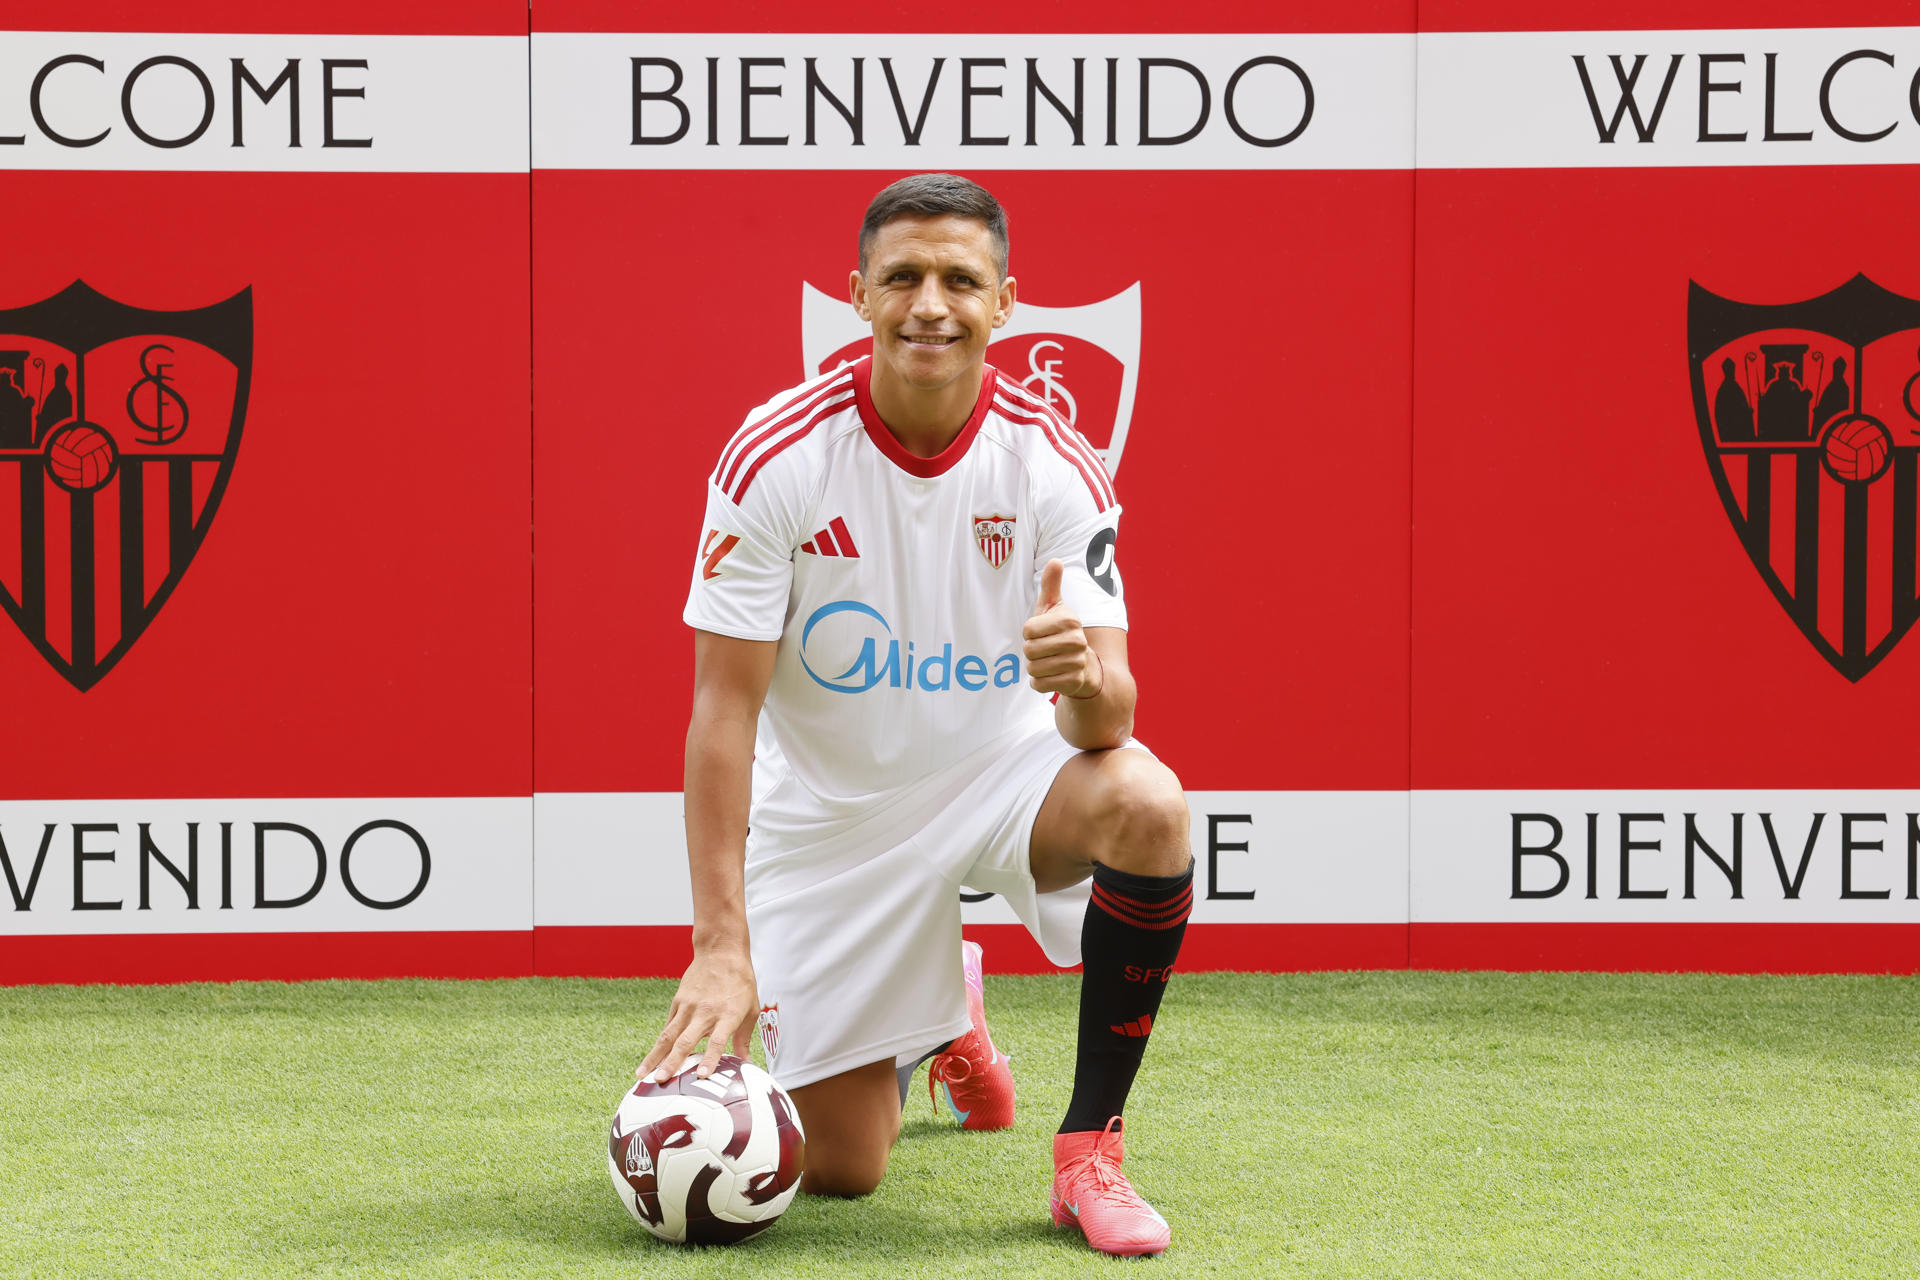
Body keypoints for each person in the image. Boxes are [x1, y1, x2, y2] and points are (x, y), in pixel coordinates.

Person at [637, 173, 1193, 1258]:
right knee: (843, 1169)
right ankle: (951, 1009)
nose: (929, 303)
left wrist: (1079, 673)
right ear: (858, 294)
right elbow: (722, 710)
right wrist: (719, 944)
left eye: (959, 279)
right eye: (903, 276)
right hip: (833, 817)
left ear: (1006, 301)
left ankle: (1090, 1150)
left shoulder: (1051, 460)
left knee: (1149, 803)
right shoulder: (777, 456)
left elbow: (1107, 717)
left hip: (998, 773)